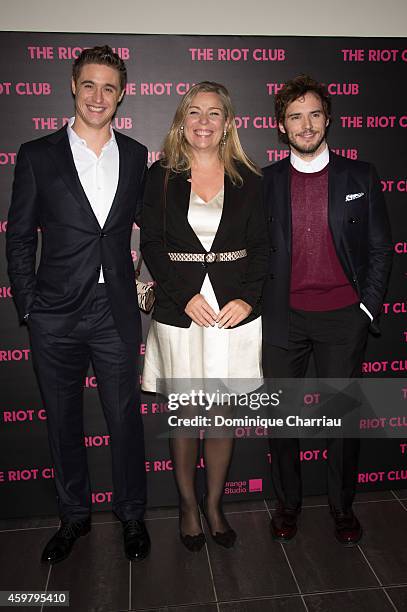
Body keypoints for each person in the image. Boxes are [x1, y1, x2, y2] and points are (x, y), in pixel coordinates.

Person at [6, 45, 150, 563]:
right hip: (55, 314)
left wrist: (145, 277)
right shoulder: (37, 154)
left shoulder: (136, 155)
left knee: (125, 419)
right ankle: (74, 517)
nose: (98, 96)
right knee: (62, 420)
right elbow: (19, 237)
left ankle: (132, 515)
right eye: (89, 84)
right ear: (72, 85)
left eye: (109, 87)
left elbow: (149, 232)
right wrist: (30, 307)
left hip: (114, 310)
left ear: (121, 94)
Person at [262, 75, 392, 545]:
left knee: (341, 420)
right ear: (282, 126)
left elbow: (381, 249)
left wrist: (366, 310)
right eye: (295, 116)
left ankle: (342, 508)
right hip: (284, 318)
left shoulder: (361, 175)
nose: (306, 124)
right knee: (282, 419)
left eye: (314, 113)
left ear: (328, 118)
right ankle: (288, 504)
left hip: (343, 316)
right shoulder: (266, 182)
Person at [141, 81, 269, 551]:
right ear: (181, 119)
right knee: (185, 414)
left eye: (213, 113)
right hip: (180, 308)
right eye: (194, 112)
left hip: (232, 312)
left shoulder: (249, 179)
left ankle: (214, 504)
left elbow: (262, 249)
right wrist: (183, 293)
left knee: (219, 414)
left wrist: (250, 299)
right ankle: (187, 505)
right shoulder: (161, 176)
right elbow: (152, 243)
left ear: (227, 122)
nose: (203, 122)